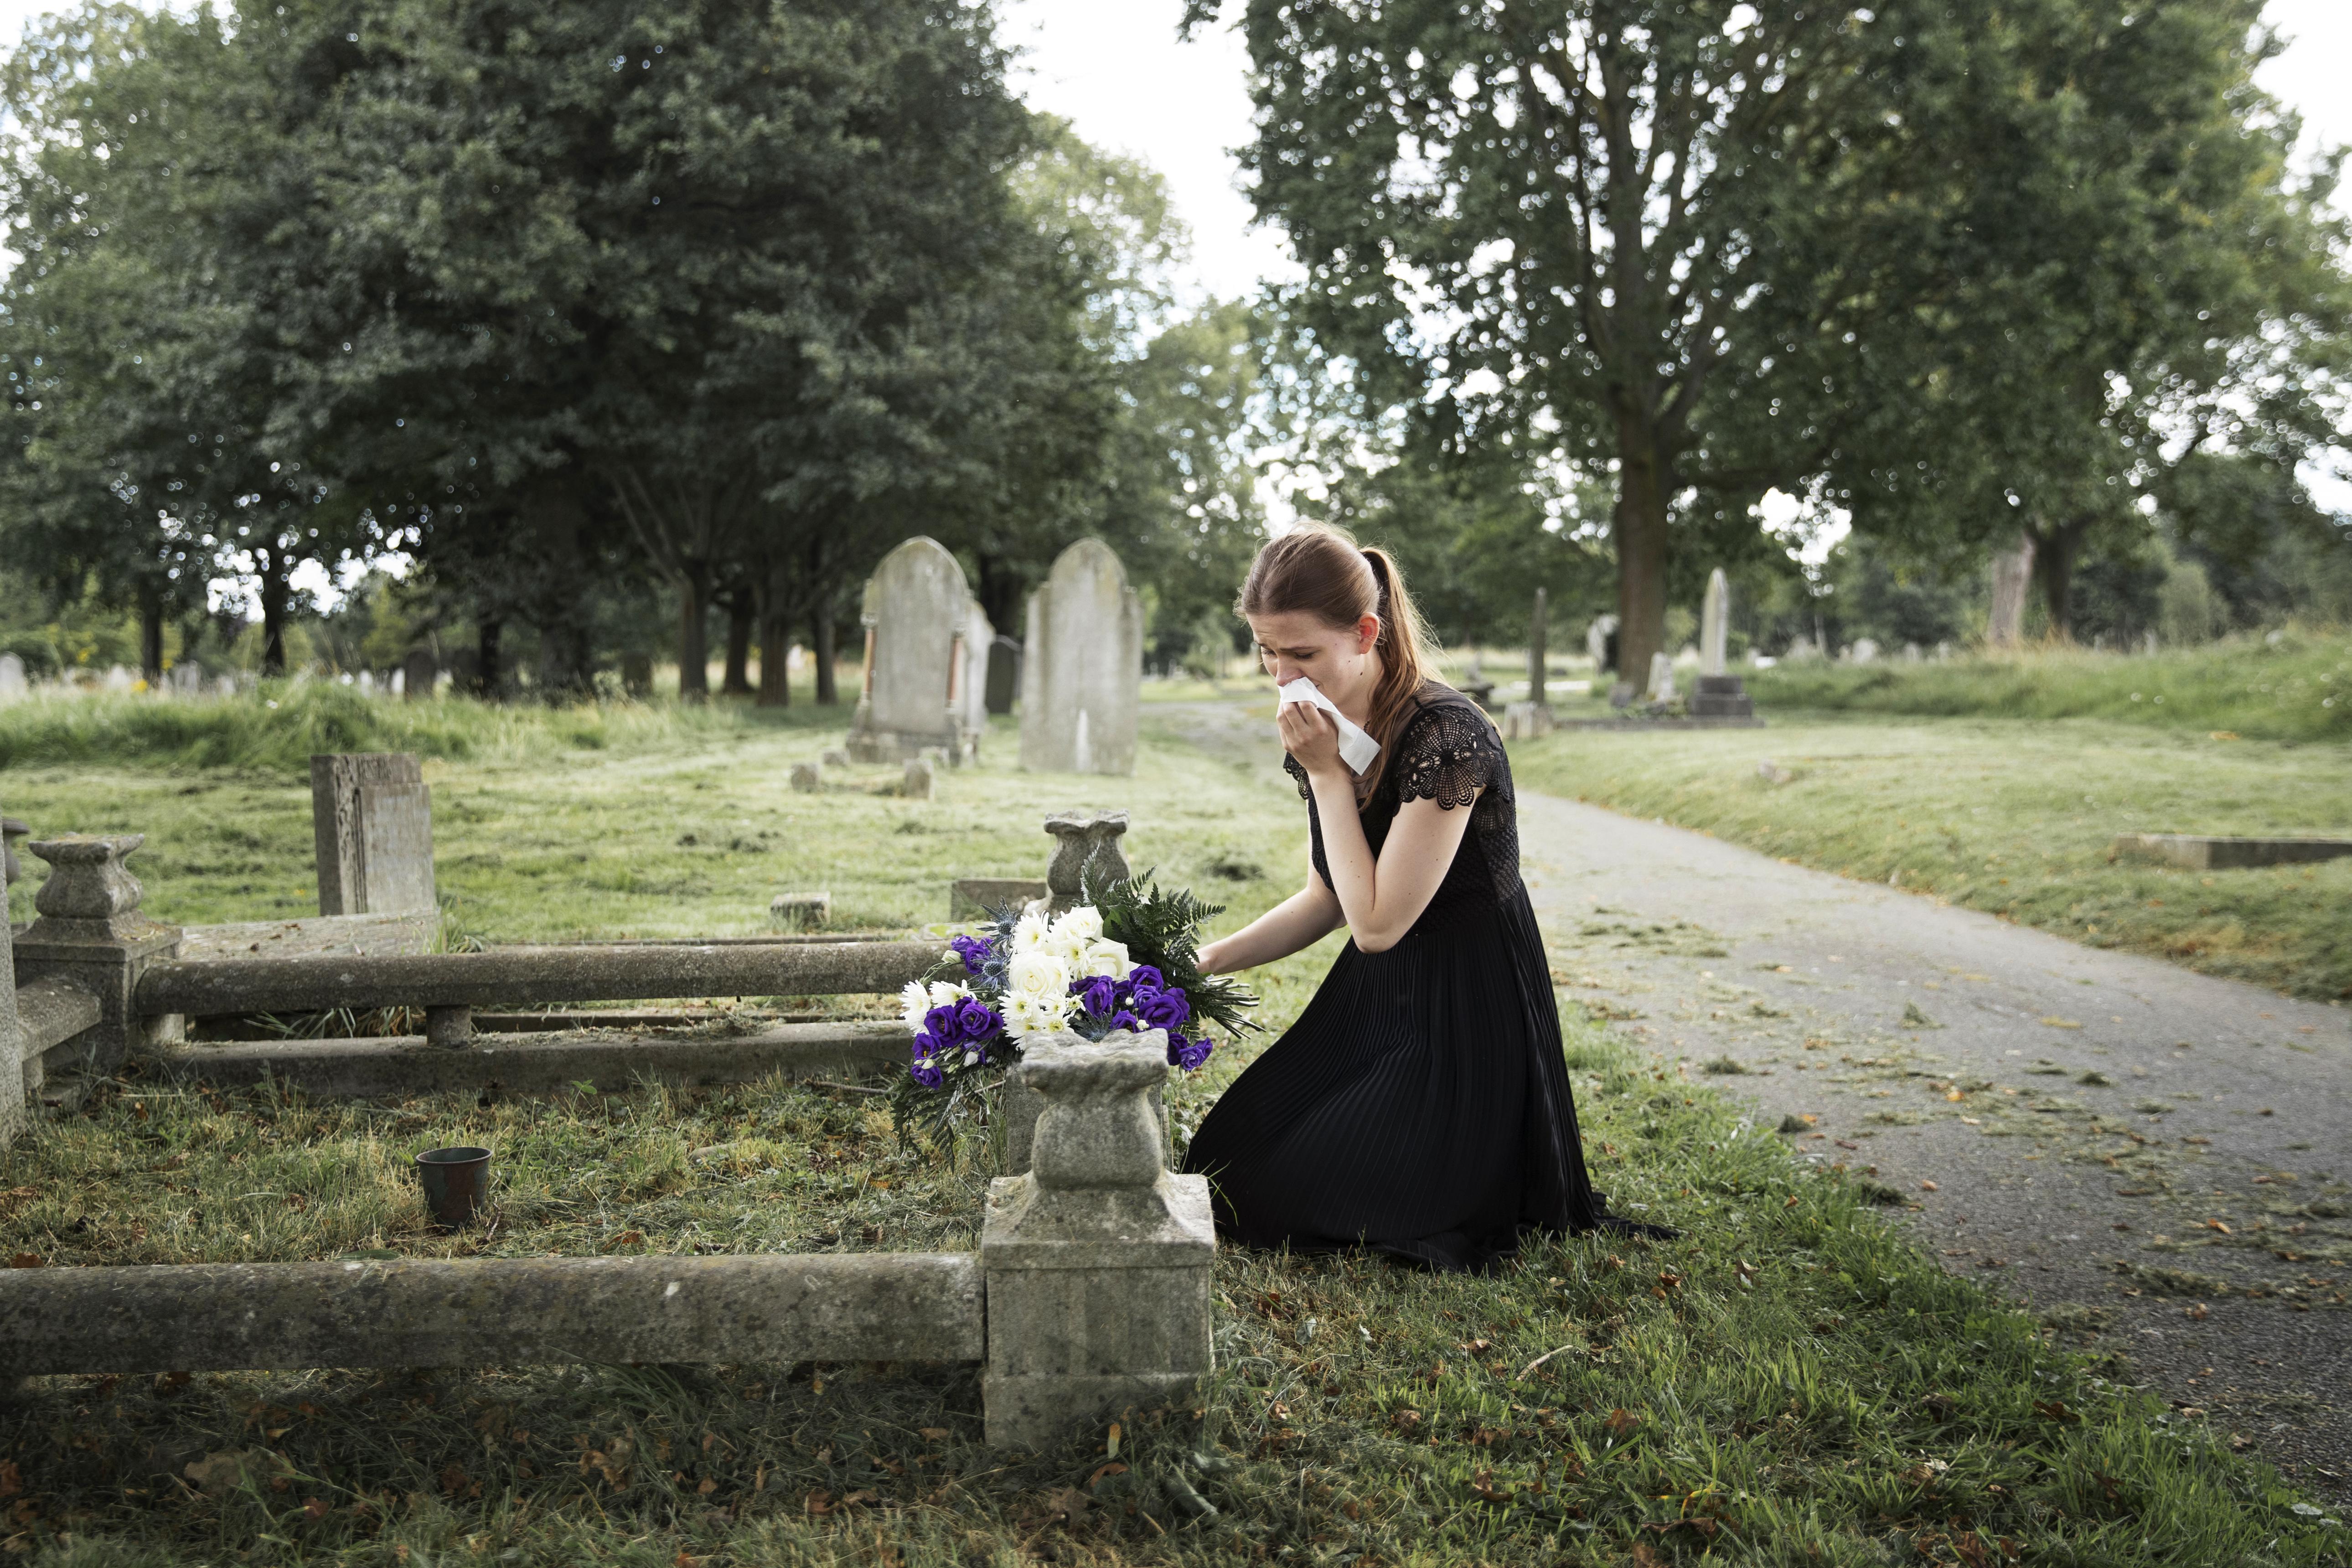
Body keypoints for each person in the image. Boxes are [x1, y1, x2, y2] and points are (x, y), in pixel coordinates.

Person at [1184, 526, 1670, 1272]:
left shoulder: (1450, 737)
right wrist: (1202, 963)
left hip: (1471, 1003)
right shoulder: (1325, 729)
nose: (1282, 677)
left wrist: (1324, 776)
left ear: (1365, 633)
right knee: (1227, 1160)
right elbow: (1330, 897)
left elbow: (1377, 923)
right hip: (1381, 996)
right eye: (1266, 652)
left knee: (1295, 1198)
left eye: (1302, 654)